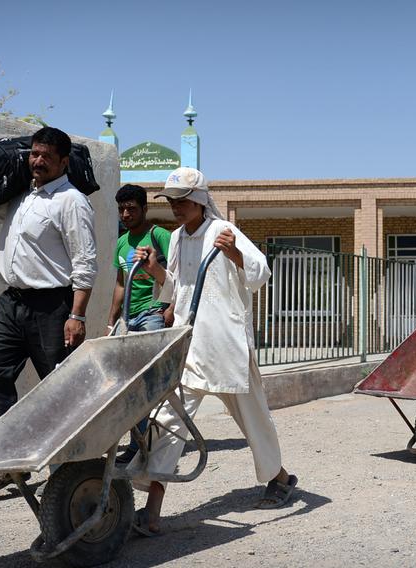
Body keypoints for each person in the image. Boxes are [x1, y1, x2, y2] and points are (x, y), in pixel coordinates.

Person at [129, 167, 296, 536]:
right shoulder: (175, 239)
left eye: (183, 199)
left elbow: (261, 273)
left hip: (226, 343)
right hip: (188, 344)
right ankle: (152, 511)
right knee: (171, 424)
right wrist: (154, 269)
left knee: (252, 419)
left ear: (201, 199)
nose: (176, 206)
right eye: (172, 200)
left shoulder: (225, 232)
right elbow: (174, 290)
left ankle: (280, 478)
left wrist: (235, 253)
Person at [0, 127, 98, 493]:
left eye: (46, 157)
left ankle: (70, 471)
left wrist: (77, 315)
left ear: (64, 162)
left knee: (61, 391)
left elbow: (85, 263)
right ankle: (12, 461)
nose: (38, 161)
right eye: (34, 154)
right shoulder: (22, 192)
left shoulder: (72, 201)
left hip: (53, 307)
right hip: (12, 303)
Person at [107, 184, 173, 464]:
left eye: (131, 209)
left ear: (145, 209)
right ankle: (139, 437)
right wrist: (112, 319)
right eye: (121, 209)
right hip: (127, 319)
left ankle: (141, 443)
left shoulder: (160, 236)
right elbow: (121, 283)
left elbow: (177, 276)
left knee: (144, 382)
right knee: (119, 382)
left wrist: (170, 310)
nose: (125, 214)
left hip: (152, 315)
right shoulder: (122, 242)